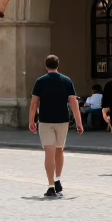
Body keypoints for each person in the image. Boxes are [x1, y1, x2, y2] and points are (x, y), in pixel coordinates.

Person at [28, 54, 84, 198]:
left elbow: (34, 103)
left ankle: (50, 186)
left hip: (46, 120)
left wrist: (31, 121)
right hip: (62, 120)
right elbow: (74, 102)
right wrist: (79, 122)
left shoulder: (40, 81)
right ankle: (58, 179)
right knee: (59, 149)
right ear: (58, 65)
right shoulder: (66, 80)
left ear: (46, 66)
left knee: (49, 152)